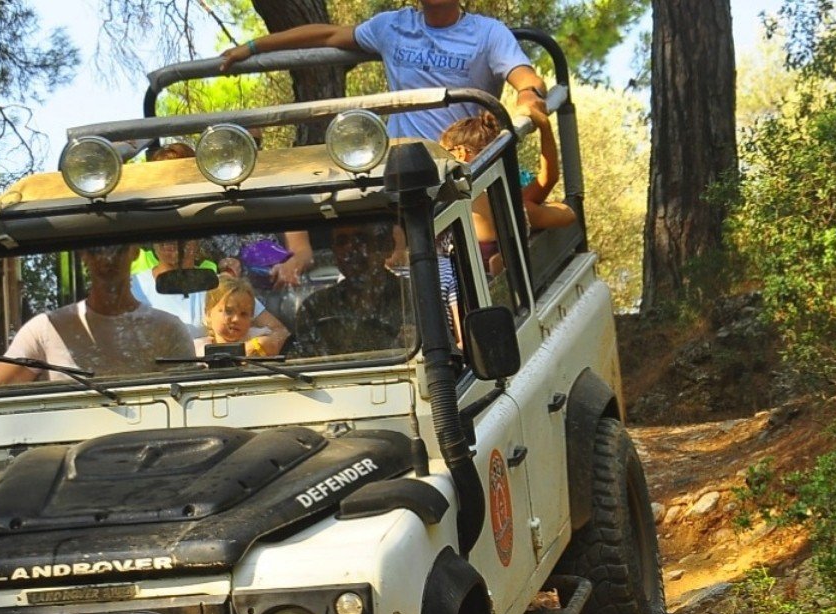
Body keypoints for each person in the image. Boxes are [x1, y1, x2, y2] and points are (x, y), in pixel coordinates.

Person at [219, 0, 548, 142]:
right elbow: (327, 34)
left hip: (464, 164)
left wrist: (528, 96)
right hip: (403, 165)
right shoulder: (392, 26)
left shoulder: (488, 33)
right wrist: (252, 47)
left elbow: (526, 78)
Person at [0, 243, 194, 387]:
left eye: (117, 247)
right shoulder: (46, 328)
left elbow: (188, 403)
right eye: (97, 249)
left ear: (134, 251)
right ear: (83, 255)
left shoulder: (168, 330)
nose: (107, 258)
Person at [438, 113, 576, 273]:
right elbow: (566, 214)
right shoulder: (512, 210)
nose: (439, 161)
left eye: (443, 153)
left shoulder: (447, 200)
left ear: (460, 153)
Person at [133, 237, 292, 348]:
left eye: (181, 235)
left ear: (196, 242)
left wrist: (257, 347)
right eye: (162, 235)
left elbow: (280, 331)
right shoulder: (132, 287)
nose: (173, 242)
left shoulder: (222, 286)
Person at [289, 221, 412, 357]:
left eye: (361, 239)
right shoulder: (315, 308)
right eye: (342, 242)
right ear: (334, 251)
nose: (351, 249)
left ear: (387, 246)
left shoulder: (415, 298)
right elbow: (305, 365)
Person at [197, 276, 287, 356]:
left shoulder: (259, 340)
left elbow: (274, 341)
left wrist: (258, 346)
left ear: (251, 317)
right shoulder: (196, 349)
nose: (236, 319)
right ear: (208, 313)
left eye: (244, 314)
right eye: (228, 311)